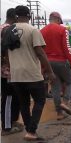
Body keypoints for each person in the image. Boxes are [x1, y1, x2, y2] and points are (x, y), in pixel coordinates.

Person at [7, 5, 55, 140]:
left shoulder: (8, 31)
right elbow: (40, 52)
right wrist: (50, 72)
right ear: (29, 16)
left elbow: (5, 53)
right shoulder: (33, 30)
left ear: (16, 16)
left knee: (24, 103)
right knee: (40, 100)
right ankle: (31, 131)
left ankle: (29, 130)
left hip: (16, 75)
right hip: (32, 74)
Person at [41, 11, 71, 120]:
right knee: (70, 82)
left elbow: (40, 50)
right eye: (60, 22)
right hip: (61, 61)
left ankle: (59, 114)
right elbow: (67, 48)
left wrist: (42, 67)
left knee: (55, 87)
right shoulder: (63, 30)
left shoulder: (41, 31)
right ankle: (65, 102)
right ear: (57, 19)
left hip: (48, 63)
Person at [0, 8, 23, 136]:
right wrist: (9, 64)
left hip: (5, 68)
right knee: (8, 97)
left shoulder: (2, 27)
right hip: (6, 69)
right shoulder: (8, 29)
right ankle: (6, 127)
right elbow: (7, 50)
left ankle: (12, 121)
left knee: (13, 95)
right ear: (14, 17)